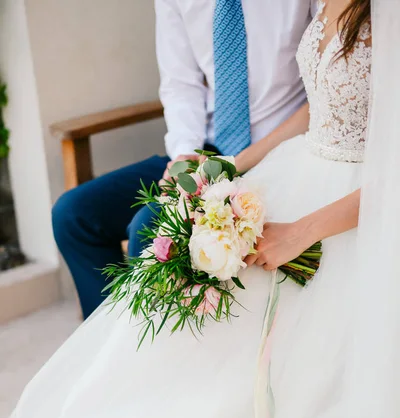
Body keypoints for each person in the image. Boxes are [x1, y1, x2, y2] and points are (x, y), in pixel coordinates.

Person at [1, 0, 399, 418]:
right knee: (176, 305)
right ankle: (135, 387)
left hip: (353, 206)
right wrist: (227, 166)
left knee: (283, 370)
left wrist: (300, 230)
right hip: (276, 160)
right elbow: (301, 106)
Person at [51, 0, 315, 319]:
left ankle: (149, 354)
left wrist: (236, 163)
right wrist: (184, 158)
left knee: (148, 226)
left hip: (278, 151)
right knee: (74, 214)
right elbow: (181, 85)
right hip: (206, 149)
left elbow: (324, 82)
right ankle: (113, 342)